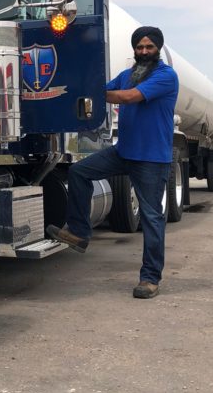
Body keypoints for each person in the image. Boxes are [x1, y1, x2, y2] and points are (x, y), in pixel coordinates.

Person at [47, 26, 179, 299]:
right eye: (139, 47)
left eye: (149, 47)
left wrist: (94, 93)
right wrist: (75, 84)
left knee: (152, 218)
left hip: (152, 159)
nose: (143, 51)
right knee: (79, 172)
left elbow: (128, 97)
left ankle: (150, 278)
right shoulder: (127, 75)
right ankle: (80, 232)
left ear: (157, 49)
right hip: (123, 152)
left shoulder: (166, 76)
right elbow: (101, 90)